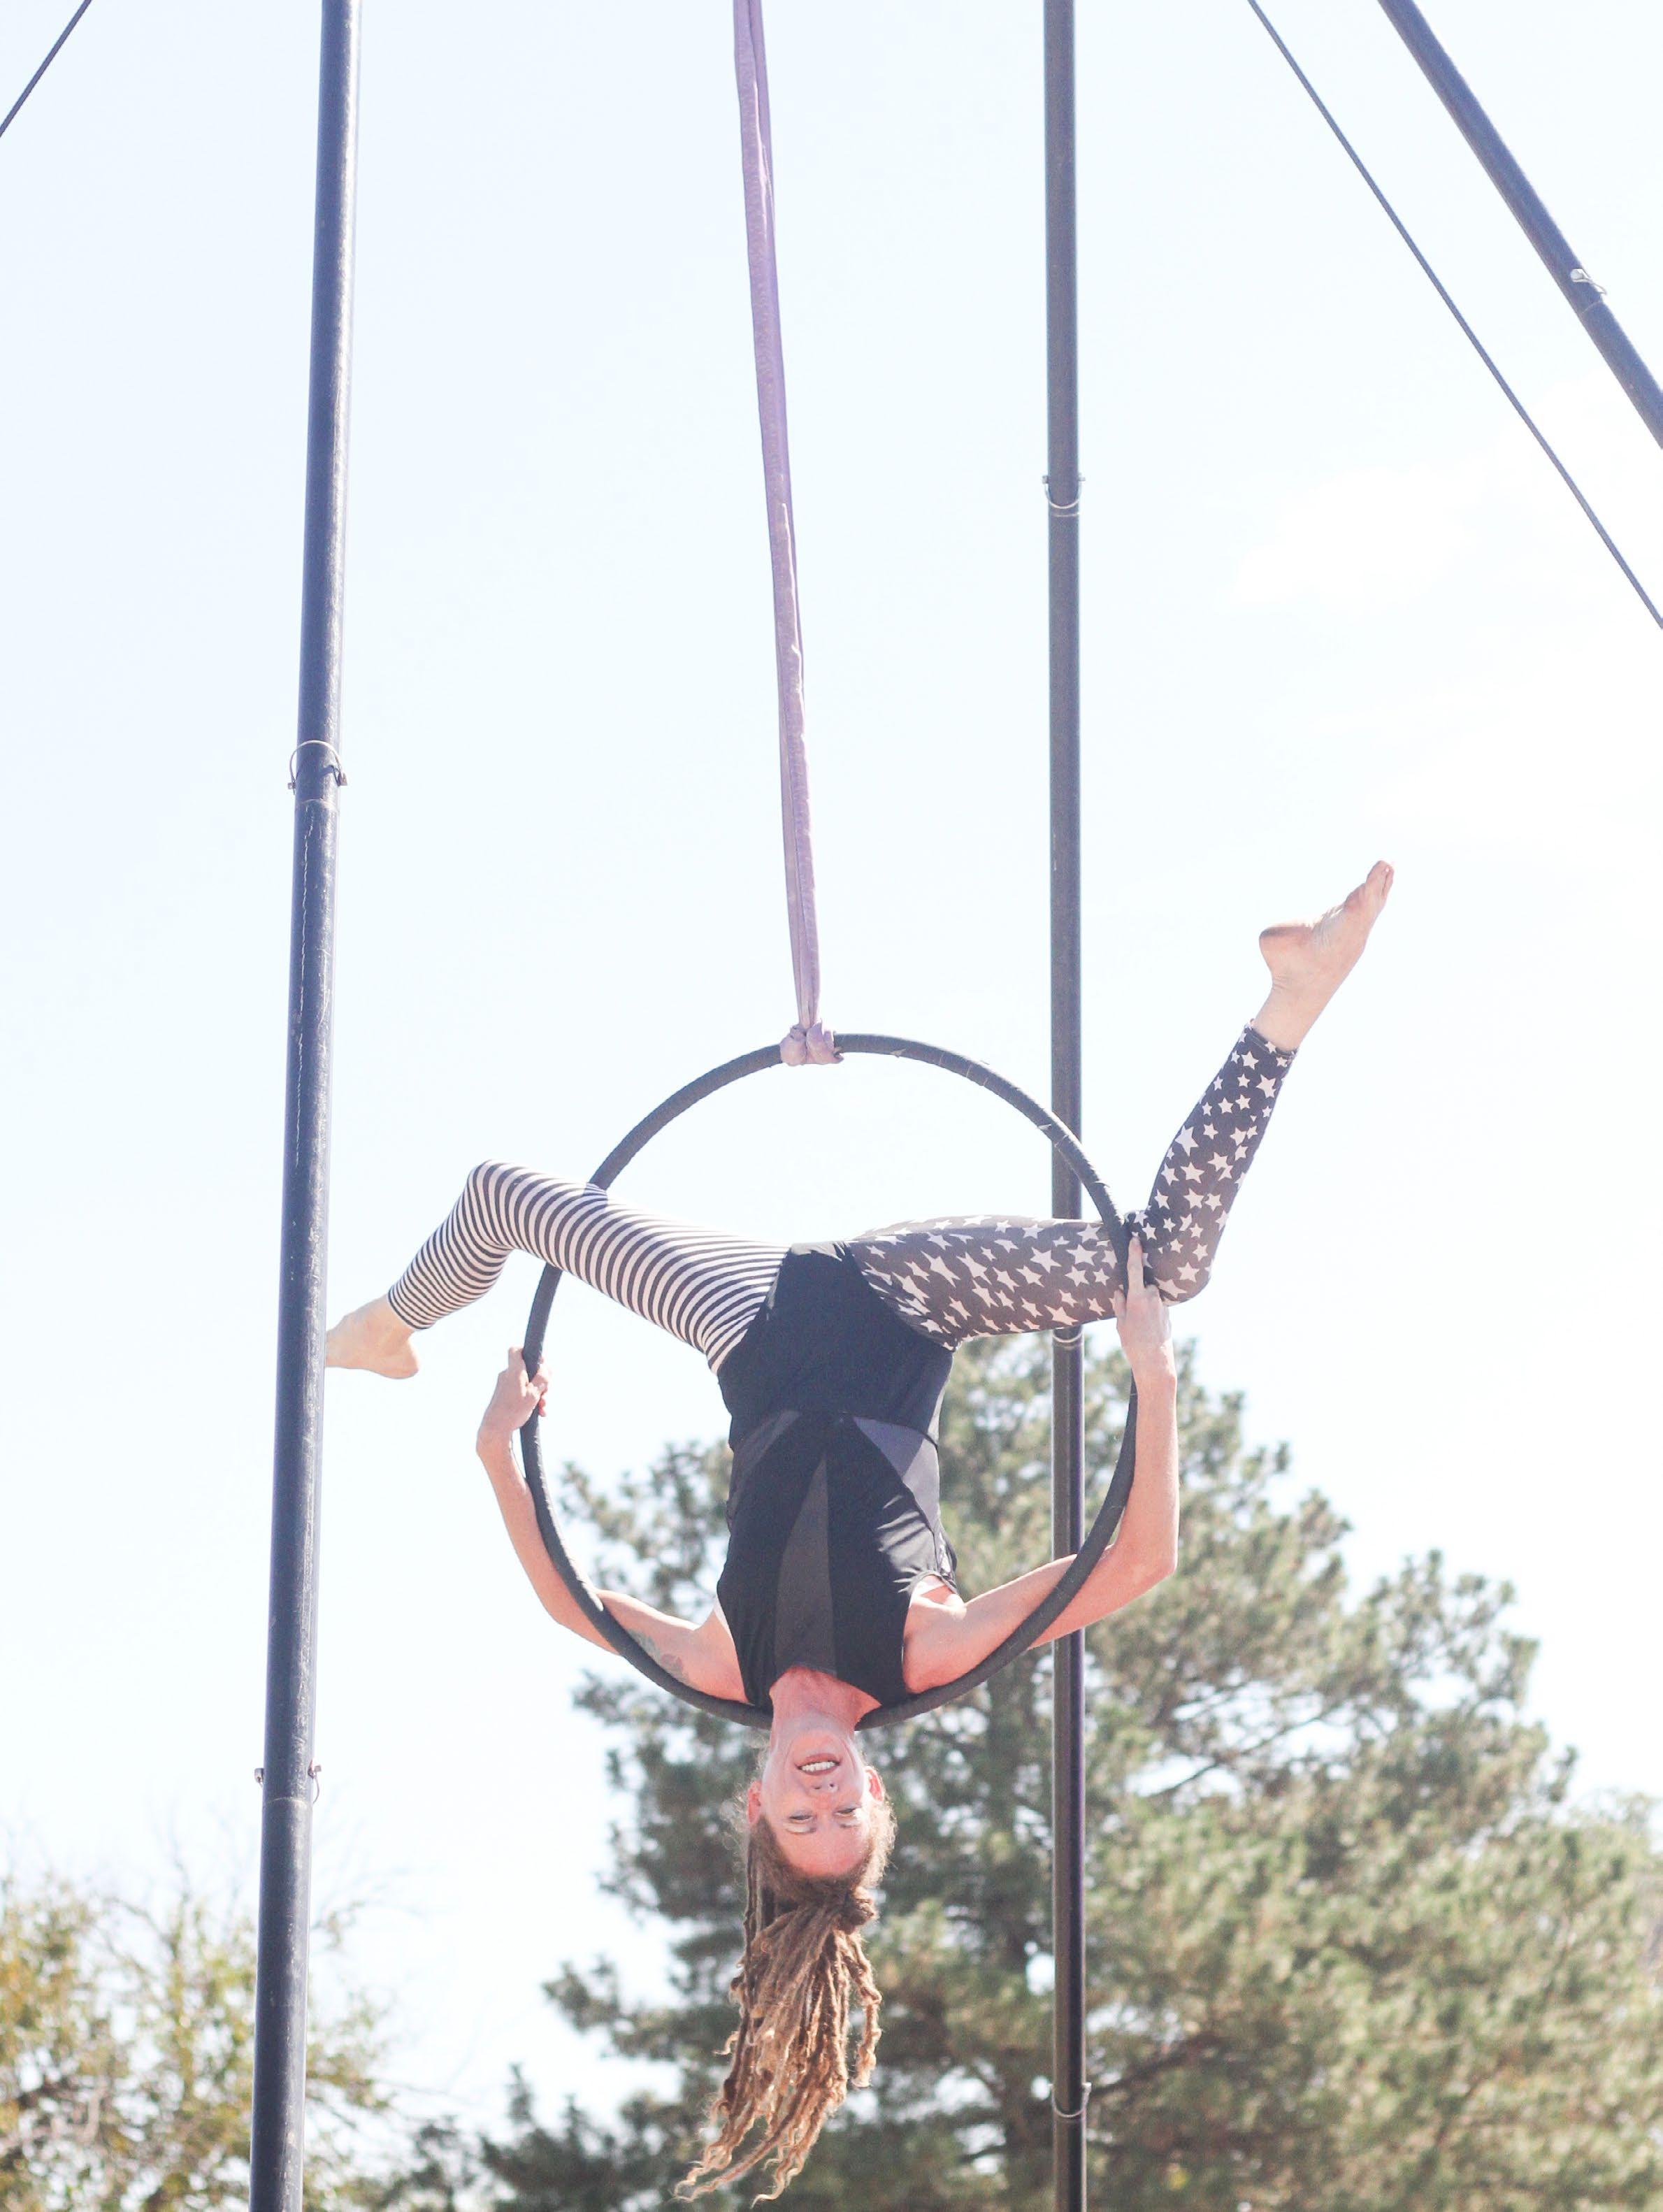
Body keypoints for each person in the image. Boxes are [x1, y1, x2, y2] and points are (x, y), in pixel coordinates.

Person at [327, 862, 1392, 2199]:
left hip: (745, 1315)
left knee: (499, 1192)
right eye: (846, 1811)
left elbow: (570, 1603)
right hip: (900, 1299)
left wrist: (499, 1457)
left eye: (801, 1813)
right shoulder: (923, 1656)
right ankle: (1292, 1001)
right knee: (1162, 1265)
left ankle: (389, 1325)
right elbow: (1138, 1559)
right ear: (875, 1792)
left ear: (760, 1800)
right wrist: (1153, 1377)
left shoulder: (722, 1666)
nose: (825, 1792)